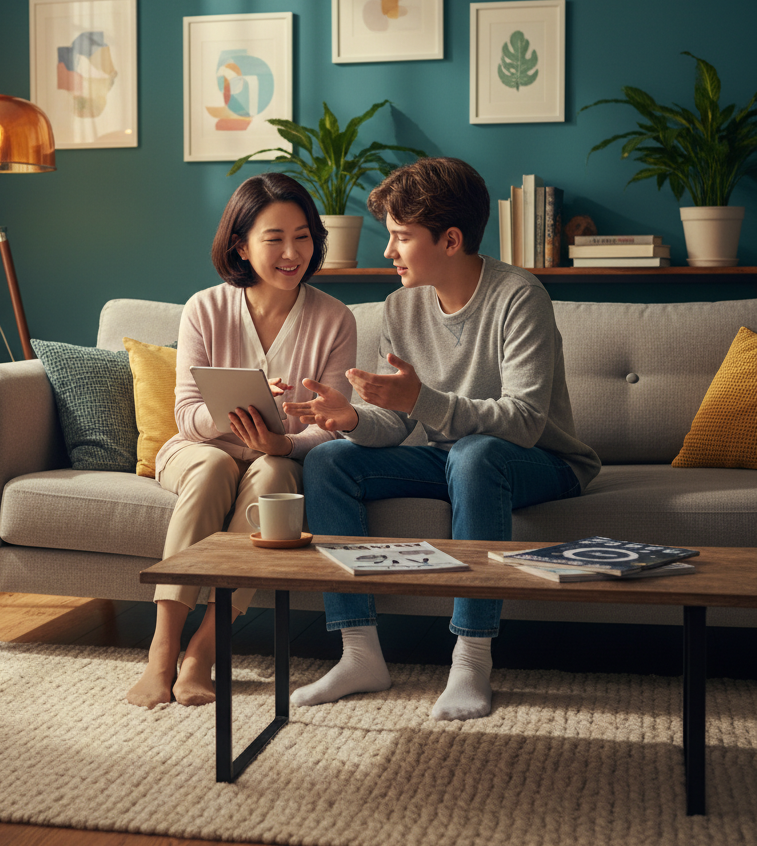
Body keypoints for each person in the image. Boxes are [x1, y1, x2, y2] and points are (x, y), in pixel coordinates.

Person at [283, 157, 600, 720]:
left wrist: (419, 401)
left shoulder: (520, 296)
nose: (389, 251)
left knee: (476, 456)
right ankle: (359, 653)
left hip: (543, 462)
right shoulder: (400, 307)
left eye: (402, 237)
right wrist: (351, 419)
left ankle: (471, 658)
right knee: (331, 461)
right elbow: (400, 424)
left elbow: (525, 420)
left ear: (450, 239)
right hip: (452, 458)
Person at [126, 172, 357, 709]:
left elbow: (333, 426)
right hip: (199, 451)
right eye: (274, 238)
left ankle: (204, 654)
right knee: (211, 470)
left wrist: (284, 446)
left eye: (302, 237)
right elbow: (186, 416)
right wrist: (234, 415)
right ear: (240, 244)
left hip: (276, 457)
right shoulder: (204, 308)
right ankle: (162, 653)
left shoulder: (334, 319)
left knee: (275, 480)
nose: (291, 252)